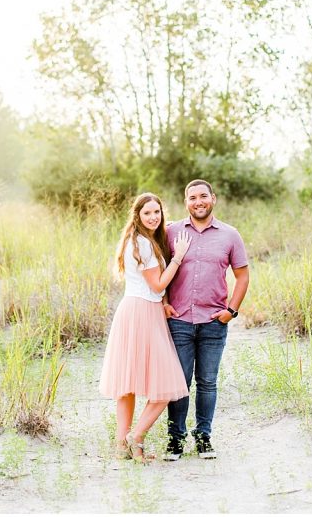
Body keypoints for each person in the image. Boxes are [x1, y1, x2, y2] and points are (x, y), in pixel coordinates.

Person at [98, 192, 192, 462]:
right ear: (137, 215)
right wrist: (178, 257)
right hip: (141, 313)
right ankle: (134, 437)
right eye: (147, 213)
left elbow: (153, 289)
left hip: (137, 308)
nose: (153, 217)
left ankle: (122, 447)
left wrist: (162, 303)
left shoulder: (138, 240)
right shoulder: (144, 245)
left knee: (127, 385)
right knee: (167, 384)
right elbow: (158, 284)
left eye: (157, 212)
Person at [162, 178, 249, 461]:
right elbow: (157, 269)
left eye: (203, 196)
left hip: (214, 322)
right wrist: (163, 302)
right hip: (179, 321)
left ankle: (204, 437)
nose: (198, 202)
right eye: (192, 198)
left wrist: (231, 311)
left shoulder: (230, 235)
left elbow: (243, 275)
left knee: (208, 382)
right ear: (185, 201)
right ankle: (175, 440)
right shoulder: (171, 232)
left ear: (213, 198)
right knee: (179, 382)